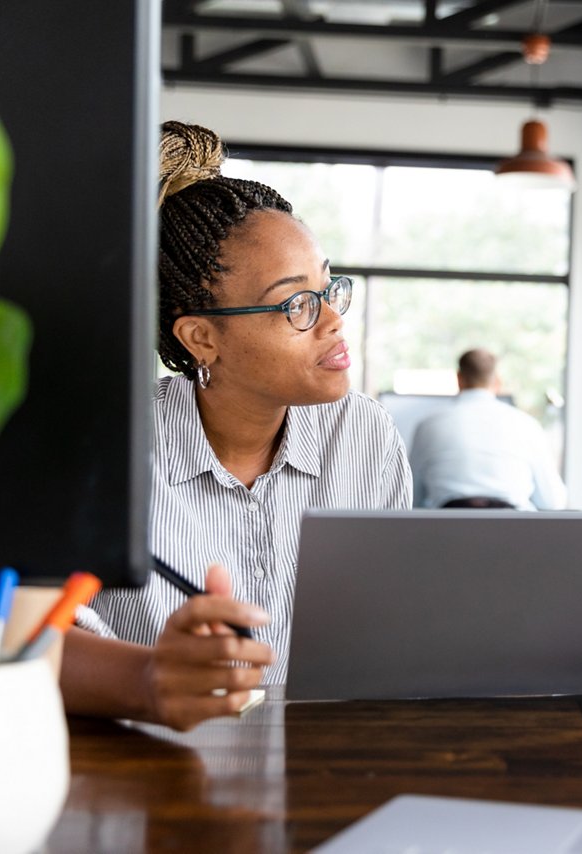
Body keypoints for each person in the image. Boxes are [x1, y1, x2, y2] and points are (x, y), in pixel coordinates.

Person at [64, 121, 411, 731]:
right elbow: (35, 634)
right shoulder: (104, 449)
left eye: (328, 287)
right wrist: (146, 679)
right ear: (202, 337)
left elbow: (393, 622)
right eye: (295, 303)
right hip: (145, 767)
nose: (332, 319)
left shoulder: (364, 435)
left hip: (325, 759)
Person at [408, 348, 566, 510]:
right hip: (513, 529)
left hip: (446, 530)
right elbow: (552, 502)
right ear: (497, 382)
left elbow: (409, 497)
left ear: (459, 379)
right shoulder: (526, 424)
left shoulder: (428, 425)